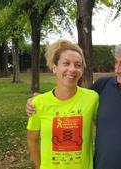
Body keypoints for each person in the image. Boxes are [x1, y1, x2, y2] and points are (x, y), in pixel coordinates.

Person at [27, 38, 121, 169]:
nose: (116, 69)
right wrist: (38, 101)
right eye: (116, 62)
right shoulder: (103, 86)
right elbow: (73, 98)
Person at [26, 39, 99, 169]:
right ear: (55, 68)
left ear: (82, 70)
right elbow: (32, 140)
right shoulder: (38, 103)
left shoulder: (92, 98)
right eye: (66, 63)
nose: (72, 69)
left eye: (78, 65)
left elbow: (106, 127)